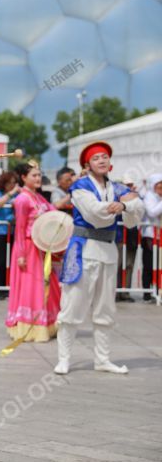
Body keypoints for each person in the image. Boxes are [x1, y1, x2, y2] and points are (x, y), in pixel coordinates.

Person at [55, 142, 145, 375]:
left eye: (105, 156)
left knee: (106, 308)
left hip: (108, 250)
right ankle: (64, 359)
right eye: (96, 158)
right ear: (87, 165)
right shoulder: (80, 186)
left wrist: (124, 204)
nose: (102, 160)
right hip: (83, 249)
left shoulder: (115, 187)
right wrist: (123, 204)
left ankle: (102, 359)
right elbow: (95, 213)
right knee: (73, 305)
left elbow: (139, 207)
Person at [5, 161, 60, 342]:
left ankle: (48, 323)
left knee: (46, 285)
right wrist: (21, 255)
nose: (38, 178)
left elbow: (54, 212)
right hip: (28, 248)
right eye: (34, 175)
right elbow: (19, 229)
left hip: (41, 247)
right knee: (33, 286)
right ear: (23, 178)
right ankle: (28, 327)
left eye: (39, 175)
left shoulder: (38, 197)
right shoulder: (22, 199)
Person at [0, 171, 20, 298]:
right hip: (0, 232)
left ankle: (11, 287)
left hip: (14, 232)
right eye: (9, 183)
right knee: (0, 261)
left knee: (12, 261)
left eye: (14, 183)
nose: (12, 185)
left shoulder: (19, 193)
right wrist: (11, 194)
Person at [142, 174, 162, 302]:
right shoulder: (149, 196)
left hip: (160, 235)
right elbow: (152, 212)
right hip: (150, 236)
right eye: (158, 184)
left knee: (159, 264)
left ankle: (158, 290)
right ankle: (147, 293)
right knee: (149, 264)